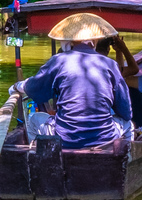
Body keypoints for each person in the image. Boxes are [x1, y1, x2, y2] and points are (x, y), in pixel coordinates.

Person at [18, 13, 133, 149]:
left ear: (71, 41)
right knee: (128, 124)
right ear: (96, 40)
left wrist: (19, 86)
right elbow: (126, 112)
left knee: (33, 120)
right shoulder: (110, 64)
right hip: (104, 139)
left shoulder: (58, 60)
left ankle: (40, 159)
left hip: (65, 140)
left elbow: (34, 90)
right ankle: (124, 161)